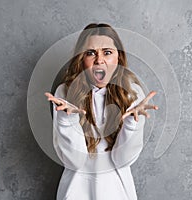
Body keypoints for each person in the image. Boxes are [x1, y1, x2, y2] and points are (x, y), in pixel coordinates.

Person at [45, 23, 158, 200]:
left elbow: (123, 160)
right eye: (90, 53)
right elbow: (74, 161)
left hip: (118, 192)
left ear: (118, 58)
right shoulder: (65, 93)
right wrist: (67, 121)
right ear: (81, 59)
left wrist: (132, 124)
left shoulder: (132, 93)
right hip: (76, 193)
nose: (99, 60)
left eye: (107, 52)